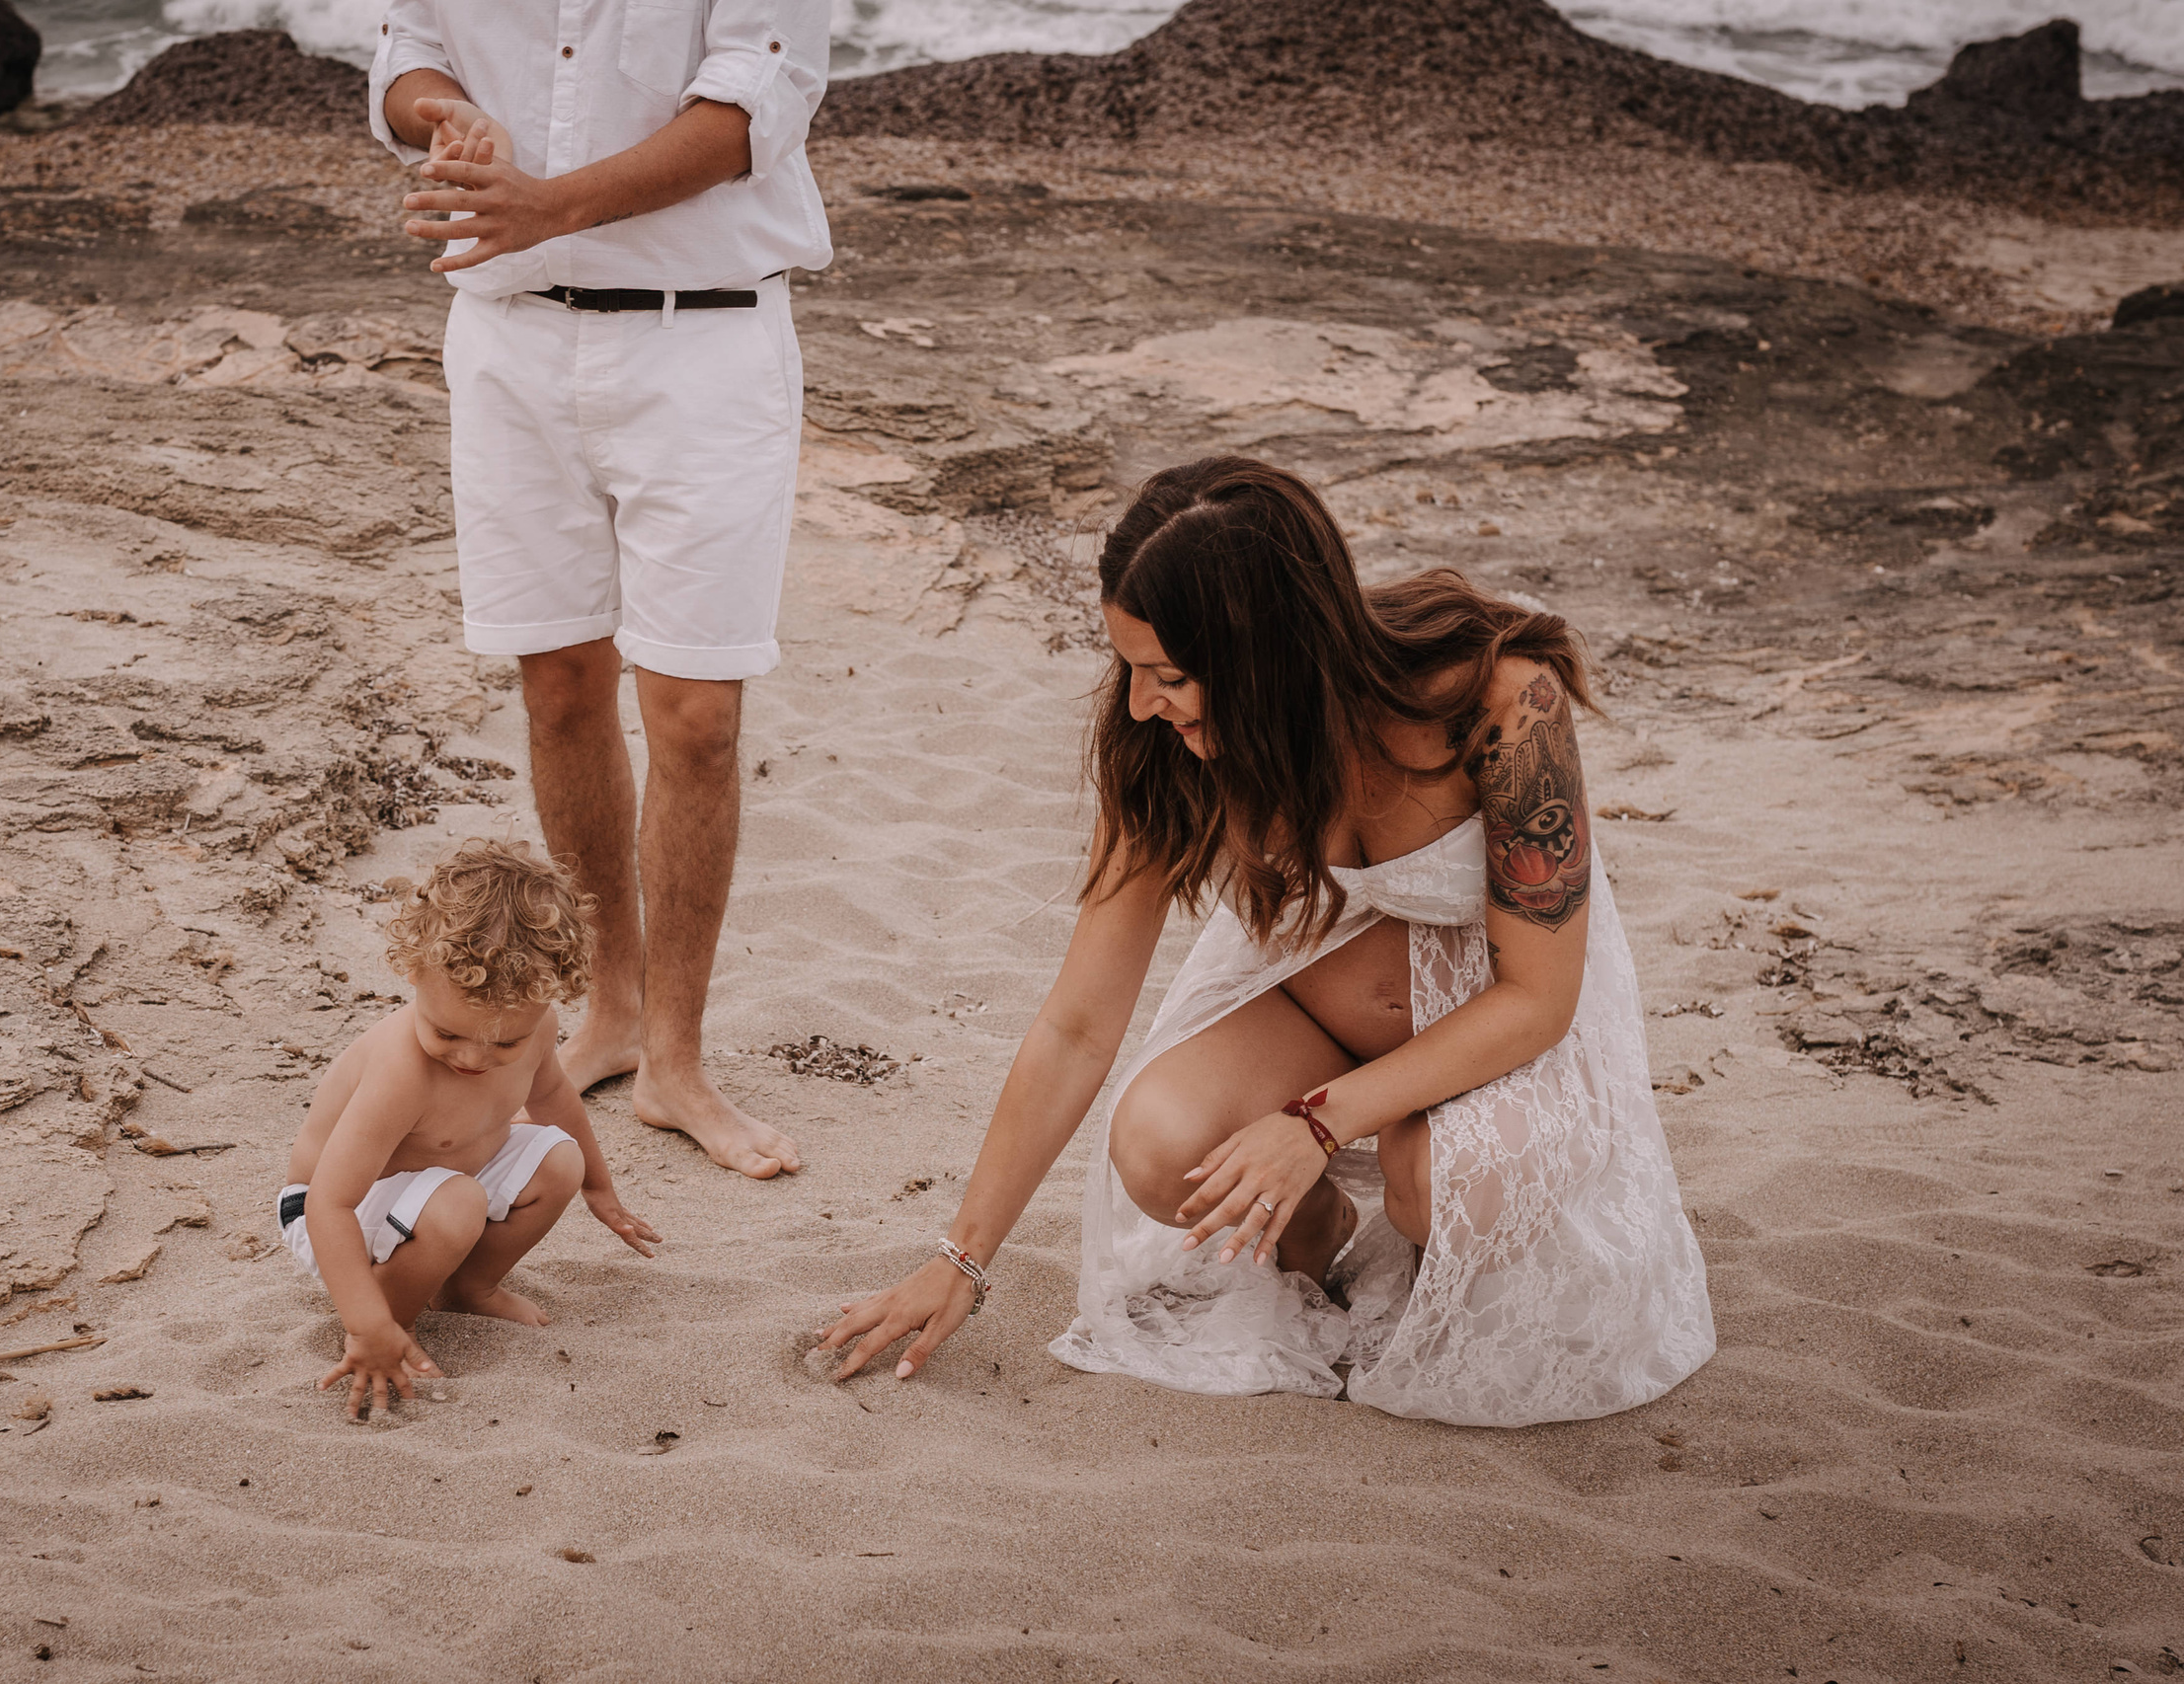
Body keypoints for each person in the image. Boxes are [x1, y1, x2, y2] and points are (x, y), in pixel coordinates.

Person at [820, 458, 1714, 1425]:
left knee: (1438, 1182)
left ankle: (1409, 1233)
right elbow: (1079, 1024)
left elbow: (1539, 999)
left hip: (1501, 1016)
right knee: (1164, 1144)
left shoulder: (1501, 702)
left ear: (1265, 654)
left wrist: (1315, 1123)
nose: (1136, 704)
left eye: (1167, 675)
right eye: (1129, 668)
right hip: (1315, 1003)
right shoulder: (1162, 750)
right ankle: (1316, 1227)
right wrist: (960, 1258)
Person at [367, 0, 830, 1178]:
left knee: (696, 713)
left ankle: (676, 1060)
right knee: (561, 685)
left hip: (708, 344)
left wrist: (552, 202)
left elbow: (745, 113)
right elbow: (403, 53)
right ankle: (610, 1011)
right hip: (509, 340)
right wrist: (448, 114)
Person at [280, 838, 660, 1421]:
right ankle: (389, 1320)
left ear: (548, 998)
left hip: (441, 1183)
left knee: (559, 1159)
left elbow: (555, 1099)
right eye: (447, 1033)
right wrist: (365, 1323)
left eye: (504, 1042)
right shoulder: (399, 1073)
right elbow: (328, 1204)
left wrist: (599, 1191)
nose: (473, 1060)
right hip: (336, 1214)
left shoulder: (534, 1028)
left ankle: (467, 1289)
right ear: (414, 974)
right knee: (459, 1202)